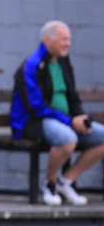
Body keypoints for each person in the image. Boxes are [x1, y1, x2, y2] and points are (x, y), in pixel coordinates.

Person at [11, 20, 104, 206]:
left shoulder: (63, 61)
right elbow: (36, 107)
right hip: (34, 122)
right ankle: (49, 184)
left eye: (68, 39)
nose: (68, 43)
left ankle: (65, 181)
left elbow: (72, 95)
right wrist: (70, 122)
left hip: (64, 120)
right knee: (67, 138)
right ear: (48, 40)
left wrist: (81, 117)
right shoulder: (32, 65)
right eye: (63, 39)